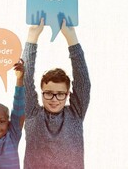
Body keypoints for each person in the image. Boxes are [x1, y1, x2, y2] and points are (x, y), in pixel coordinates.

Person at [22, 18, 91, 168]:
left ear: (67, 94)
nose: (54, 99)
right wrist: (32, 37)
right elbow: (25, 81)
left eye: (60, 94)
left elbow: (83, 82)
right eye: (48, 93)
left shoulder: (75, 113)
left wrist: (71, 38)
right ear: (41, 93)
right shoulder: (33, 114)